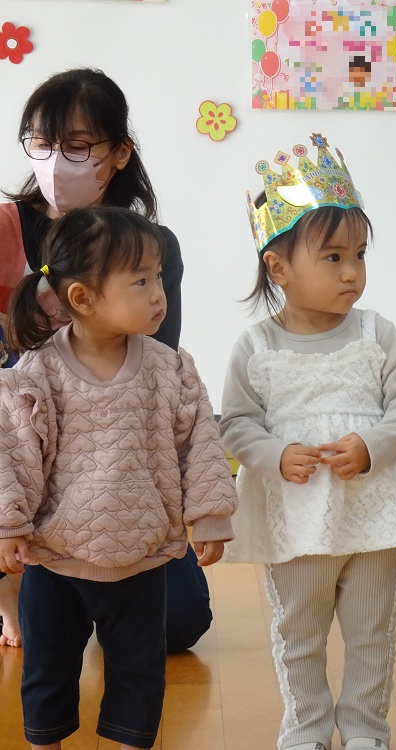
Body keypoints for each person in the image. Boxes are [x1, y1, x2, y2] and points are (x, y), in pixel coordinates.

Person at [219, 133, 396, 750]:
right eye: (333, 257)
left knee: (372, 629)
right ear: (278, 268)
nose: (352, 272)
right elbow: (236, 423)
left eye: (359, 255)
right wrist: (273, 455)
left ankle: (367, 728)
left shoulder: (376, 332)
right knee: (299, 630)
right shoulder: (256, 346)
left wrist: (373, 445)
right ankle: (307, 727)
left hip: (372, 509)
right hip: (297, 516)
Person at [0, 206, 237, 750]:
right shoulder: (38, 372)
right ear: (82, 298)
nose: (159, 294)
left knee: (140, 674)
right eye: (140, 281)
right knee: (48, 671)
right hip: (55, 562)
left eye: (159, 277)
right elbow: (13, 452)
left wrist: (210, 515)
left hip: (142, 558)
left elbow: (199, 442)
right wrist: (9, 523)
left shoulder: (170, 367)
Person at [0, 67, 213, 653]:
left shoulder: (148, 245)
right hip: (25, 443)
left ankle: (84, 590)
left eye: (77, 146)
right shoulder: (7, 230)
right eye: (41, 143)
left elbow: (158, 362)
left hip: (116, 458)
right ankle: (19, 581)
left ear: (119, 153)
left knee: (179, 624)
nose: (55, 161)